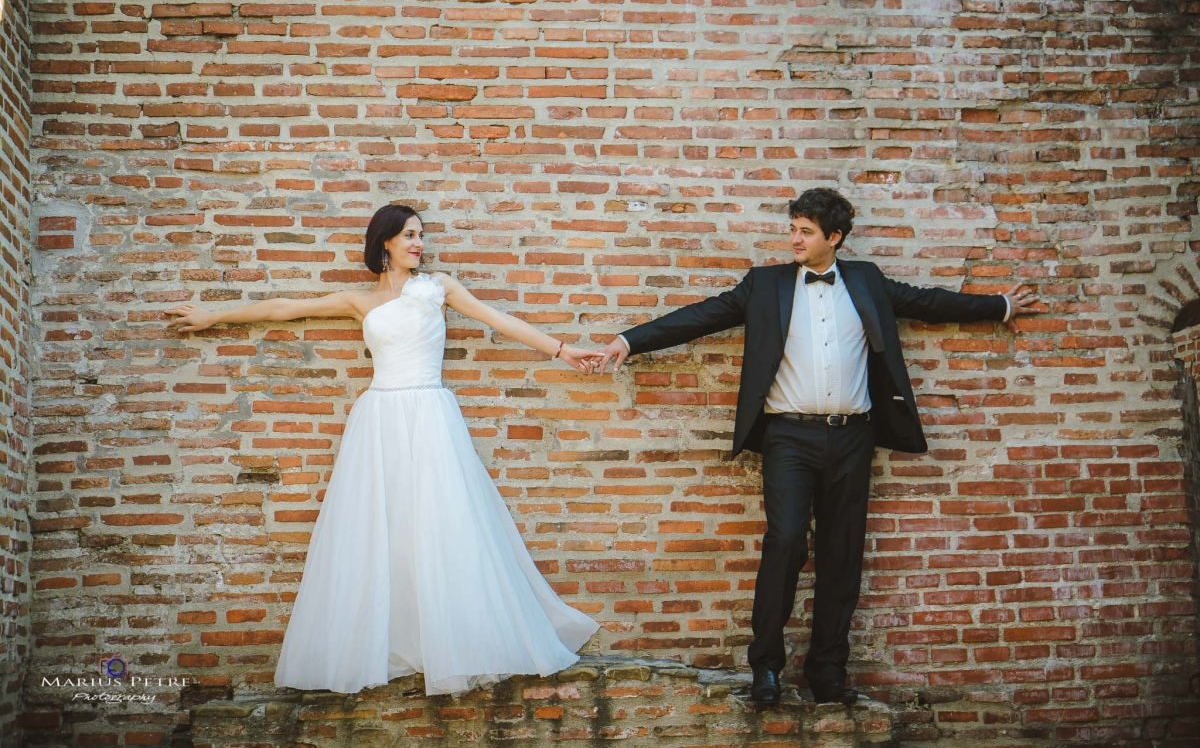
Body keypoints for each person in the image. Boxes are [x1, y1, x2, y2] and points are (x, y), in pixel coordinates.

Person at [593, 188, 1039, 706]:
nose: (795, 239)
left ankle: (828, 672)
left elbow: (929, 302)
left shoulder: (867, 281)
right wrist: (628, 340)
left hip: (853, 436)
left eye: (805, 231)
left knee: (842, 555)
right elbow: (700, 316)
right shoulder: (766, 284)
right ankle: (766, 669)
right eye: (793, 228)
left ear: (835, 238)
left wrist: (1000, 305)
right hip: (788, 437)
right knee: (785, 543)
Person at [165, 204, 602, 696]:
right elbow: (283, 308)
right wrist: (213, 317)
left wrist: (563, 349)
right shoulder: (359, 301)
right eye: (410, 235)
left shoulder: (439, 287)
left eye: (421, 235)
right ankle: (391, 642)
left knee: (442, 524)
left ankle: (455, 641)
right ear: (386, 242)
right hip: (379, 420)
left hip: (431, 417)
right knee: (380, 527)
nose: (419, 243)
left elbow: (499, 320)